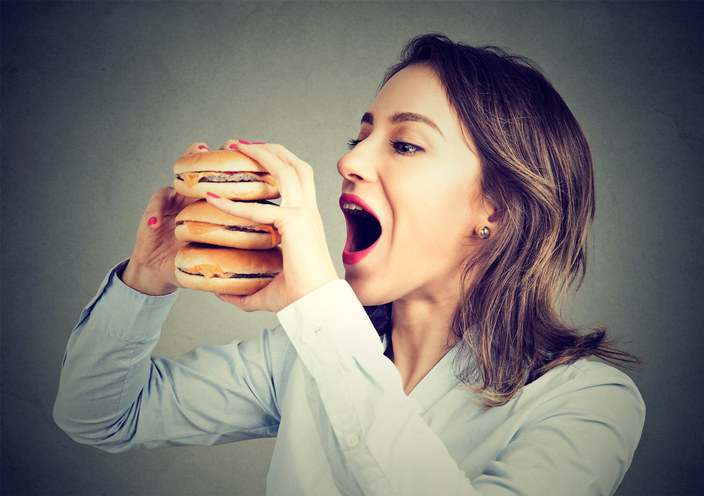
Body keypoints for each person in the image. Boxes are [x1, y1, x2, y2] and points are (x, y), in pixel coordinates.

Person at [53, 34, 645, 495]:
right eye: (358, 137)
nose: (348, 160)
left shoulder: (590, 402)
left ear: (498, 206)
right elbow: (102, 416)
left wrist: (317, 305)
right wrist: (145, 279)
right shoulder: (301, 357)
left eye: (405, 143)